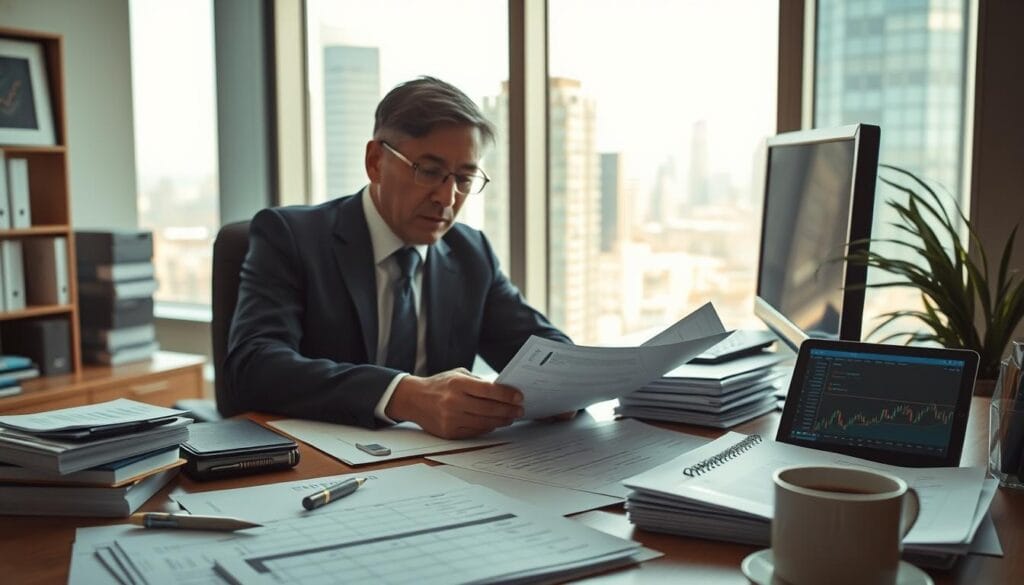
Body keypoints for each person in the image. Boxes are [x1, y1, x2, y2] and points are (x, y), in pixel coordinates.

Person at [223, 76, 571, 439]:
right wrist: (403, 396)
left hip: (438, 472)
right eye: (429, 171)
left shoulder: (471, 254)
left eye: (464, 179)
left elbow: (543, 350)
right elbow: (253, 368)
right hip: (314, 463)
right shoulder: (291, 237)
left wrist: (567, 384)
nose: (447, 198)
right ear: (375, 162)